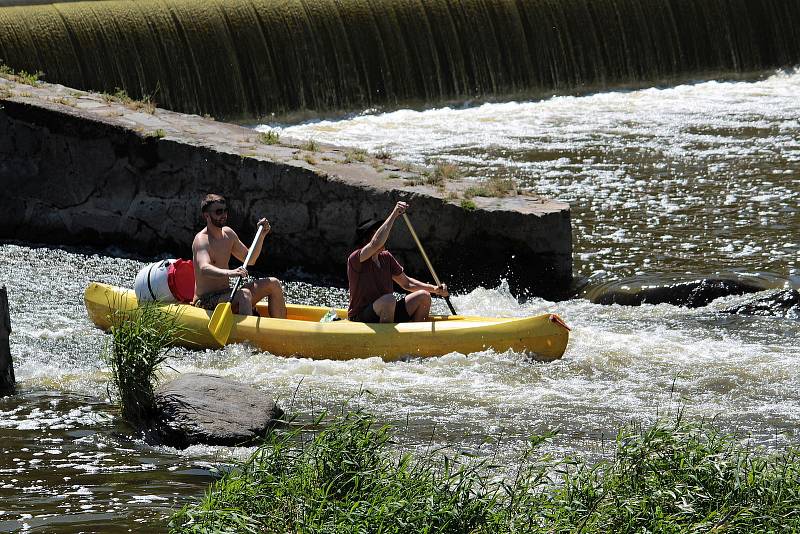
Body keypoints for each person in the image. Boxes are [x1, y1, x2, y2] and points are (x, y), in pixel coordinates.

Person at [347, 201, 448, 323]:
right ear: (366, 240)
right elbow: (375, 243)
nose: (385, 237)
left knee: (424, 296)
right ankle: (388, 341)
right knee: (389, 300)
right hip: (361, 318)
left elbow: (407, 283)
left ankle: (417, 338)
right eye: (378, 233)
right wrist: (394, 214)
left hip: (388, 310)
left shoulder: (386, 257)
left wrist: (435, 289)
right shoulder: (356, 258)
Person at [191, 194, 286, 318]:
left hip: (228, 294)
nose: (223, 215)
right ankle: (248, 337)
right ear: (207, 215)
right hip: (206, 300)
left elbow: (250, 259)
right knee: (244, 294)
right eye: (218, 212)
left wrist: (261, 235)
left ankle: (282, 332)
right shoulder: (201, 240)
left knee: (274, 283)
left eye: (225, 211)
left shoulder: (229, 234)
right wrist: (231, 272)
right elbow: (204, 268)